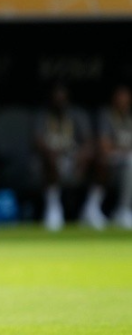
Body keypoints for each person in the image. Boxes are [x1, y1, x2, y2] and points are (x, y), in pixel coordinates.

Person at [35, 84, 101, 231]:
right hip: (51, 159)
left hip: (74, 157)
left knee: (99, 159)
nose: (59, 101)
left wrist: (81, 157)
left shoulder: (77, 115)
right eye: (56, 98)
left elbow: (88, 141)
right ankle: (53, 207)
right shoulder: (43, 115)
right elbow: (37, 142)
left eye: (62, 98)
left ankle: (91, 208)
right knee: (49, 159)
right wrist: (52, 153)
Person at [97, 85, 132, 229]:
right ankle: (123, 209)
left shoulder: (129, 118)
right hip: (112, 161)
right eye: (120, 99)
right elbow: (105, 146)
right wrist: (124, 150)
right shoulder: (106, 116)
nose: (122, 102)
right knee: (130, 160)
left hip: (126, 159)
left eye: (125, 99)